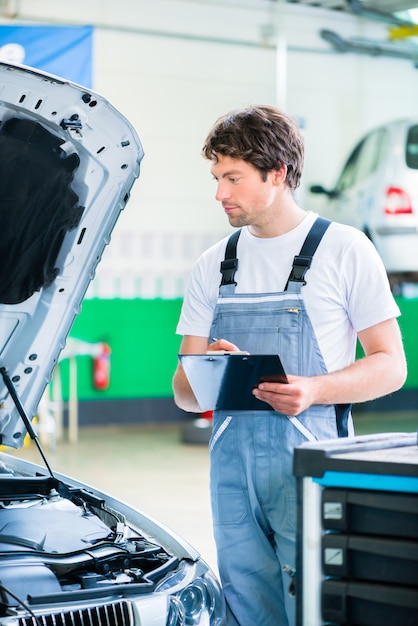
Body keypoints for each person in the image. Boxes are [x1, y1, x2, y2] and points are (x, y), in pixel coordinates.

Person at [172, 105, 406, 626]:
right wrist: (209, 370)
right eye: (217, 178)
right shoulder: (214, 264)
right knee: (247, 604)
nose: (220, 194)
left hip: (312, 466)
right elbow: (184, 392)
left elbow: (392, 366)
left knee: (317, 601)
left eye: (233, 177)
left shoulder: (344, 250)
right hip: (231, 474)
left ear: (277, 174)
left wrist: (315, 389)